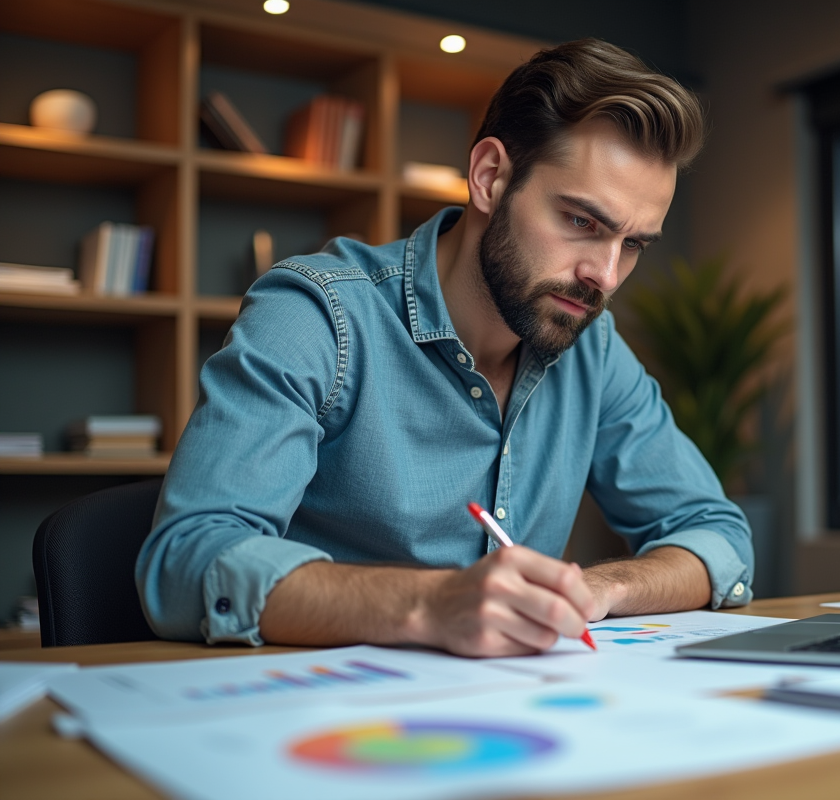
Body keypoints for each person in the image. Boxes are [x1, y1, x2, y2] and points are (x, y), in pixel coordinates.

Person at [137, 39, 753, 658]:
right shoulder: (318, 316)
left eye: (634, 244)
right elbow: (185, 560)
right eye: (582, 222)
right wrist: (430, 604)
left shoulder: (592, 348)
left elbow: (718, 536)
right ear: (490, 177)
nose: (607, 276)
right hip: (319, 720)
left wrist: (597, 588)